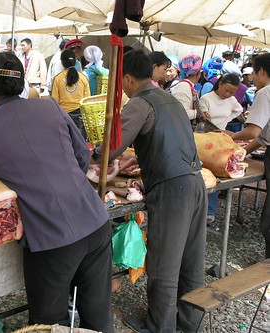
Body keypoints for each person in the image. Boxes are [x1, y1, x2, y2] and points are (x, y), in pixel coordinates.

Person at [0, 51, 114, 332]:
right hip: (95, 221)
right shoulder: (50, 107)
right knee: (98, 316)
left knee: (50, 323)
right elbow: (81, 157)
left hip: (53, 239)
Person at [109, 49, 206, 333]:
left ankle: (159, 327)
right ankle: (189, 323)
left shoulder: (139, 103)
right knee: (191, 262)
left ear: (126, 78)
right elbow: (171, 140)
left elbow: (113, 147)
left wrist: (94, 153)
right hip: (195, 182)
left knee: (163, 265)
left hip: (171, 189)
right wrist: (140, 157)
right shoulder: (170, 99)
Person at [225, 53, 270, 258]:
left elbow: (253, 131)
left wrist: (232, 137)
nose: (252, 76)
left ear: (261, 71)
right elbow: (262, 137)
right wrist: (243, 152)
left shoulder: (265, 92)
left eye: (253, 71)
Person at [200, 73, 243, 224]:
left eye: (232, 92)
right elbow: (201, 118)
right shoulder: (206, 98)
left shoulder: (232, 101)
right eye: (226, 90)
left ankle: (210, 211)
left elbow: (239, 111)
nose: (228, 94)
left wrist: (227, 120)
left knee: (217, 177)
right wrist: (204, 116)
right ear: (220, 84)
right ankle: (199, 210)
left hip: (222, 141)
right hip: (206, 141)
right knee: (205, 174)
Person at [52, 50, 90, 140]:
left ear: (62, 63)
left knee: (66, 142)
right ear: (75, 61)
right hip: (81, 116)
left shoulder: (57, 79)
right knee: (80, 143)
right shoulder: (83, 78)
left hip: (63, 115)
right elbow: (87, 100)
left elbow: (54, 101)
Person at [171, 54, 204, 124]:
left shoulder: (188, 86)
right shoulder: (184, 86)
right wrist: (199, 113)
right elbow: (183, 113)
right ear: (198, 73)